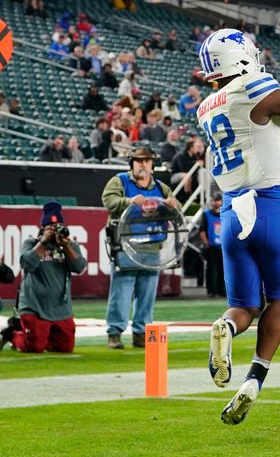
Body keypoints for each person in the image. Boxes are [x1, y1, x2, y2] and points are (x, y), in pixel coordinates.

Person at [196, 28, 280, 425]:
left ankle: (225, 327)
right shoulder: (253, 84)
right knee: (278, 301)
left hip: (233, 211)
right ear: (241, 56)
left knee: (243, 306)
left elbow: (266, 127)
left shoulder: (206, 105)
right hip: (272, 203)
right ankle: (255, 379)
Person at [102, 148, 180, 349]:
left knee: (147, 294)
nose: (143, 164)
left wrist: (174, 204)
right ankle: (114, 332)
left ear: (152, 164)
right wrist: (128, 201)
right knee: (121, 292)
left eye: (146, 161)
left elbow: (176, 208)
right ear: (132, 163)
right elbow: (108, 201)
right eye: (138, 161)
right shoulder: (119, 181)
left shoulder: (161, 188)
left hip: (152, 248)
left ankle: (141, 332)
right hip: (125, 247)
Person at [9, 202, 86, 353]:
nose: (54, 230)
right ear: (43, 228)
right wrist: (43, 242)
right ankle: (12, 335)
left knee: (65, 348)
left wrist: (66, 247)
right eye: (50, 226)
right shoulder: (31, 243)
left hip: (61, 309)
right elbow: (27, 264)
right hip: (34, 307)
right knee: (34, 348)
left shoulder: (70, 246)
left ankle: (45, 338)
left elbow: (79, 267)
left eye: (57, 226)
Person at [199, 194, 225, 298]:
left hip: (223, 247)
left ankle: (223, 291)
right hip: (211, 246)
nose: (216, 203)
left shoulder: (226, 213)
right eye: (214, 200)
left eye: (218, 200)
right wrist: (206, 243)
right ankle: (212, 291)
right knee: (211, 270)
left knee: (223, 270)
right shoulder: (206, 214)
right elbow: (202, 230)